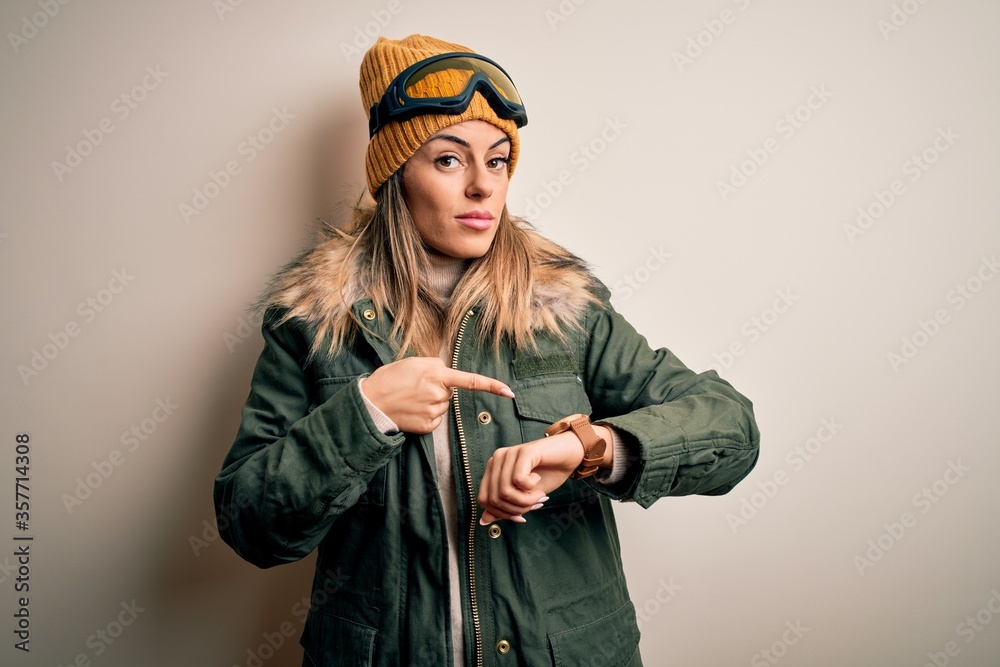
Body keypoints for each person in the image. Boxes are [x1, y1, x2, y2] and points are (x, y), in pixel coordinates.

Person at [214, 34, 760, 667]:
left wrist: (587, 448)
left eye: (497, 160)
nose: (483, 187)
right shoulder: (313, 320)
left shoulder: (562, 309)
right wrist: (365, 413)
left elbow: (732, 430)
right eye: (449, 160)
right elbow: (250, 524)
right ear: (395, 174)